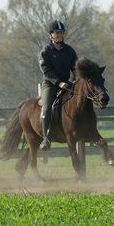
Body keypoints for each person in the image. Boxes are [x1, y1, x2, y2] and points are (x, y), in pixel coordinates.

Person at [38, 21, 78, 151]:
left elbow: (75, 67)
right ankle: (46, 138)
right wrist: (58, 82)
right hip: (50, 85)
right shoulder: (45, 51)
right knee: (47, 107)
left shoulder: (69, 50)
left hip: (66, 84)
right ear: (51, 35)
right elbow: (46, 70)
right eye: (57, 33)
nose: (59, 35)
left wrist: (77, 80)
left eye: (61, 33)